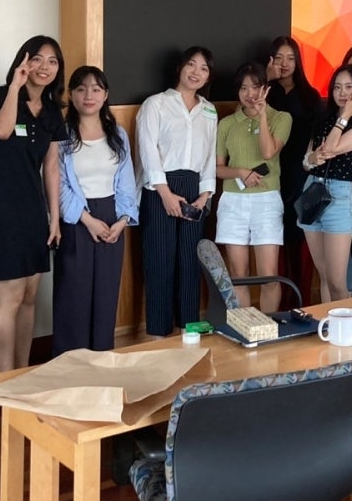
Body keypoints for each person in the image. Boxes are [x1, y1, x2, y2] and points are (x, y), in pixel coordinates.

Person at [0, 36, 66, 372]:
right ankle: (3, 379)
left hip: (33, 214)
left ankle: (22, 373)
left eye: (52, 61)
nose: (44, 67)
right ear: (22, 62)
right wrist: (16, 86)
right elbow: (1, 130)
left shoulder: (54, 112)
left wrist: (54, 218)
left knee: (28, 300)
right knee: (7, 301)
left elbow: (52, 168)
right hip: (0, 211)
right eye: (37, 59)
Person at [54, 66, 138, 355]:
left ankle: (102, 363)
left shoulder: (118, 135)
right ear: (72, 96)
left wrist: (123, 220)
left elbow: (127, 180)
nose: (89, 95)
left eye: (96, 89)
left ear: (105, 96)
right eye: (81, 89)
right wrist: (87, 220)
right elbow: (58, 185)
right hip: (77, 218)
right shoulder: (61, 135)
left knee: (105, 296)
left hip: (112, 217)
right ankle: (70, 367)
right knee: (73, 297)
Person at [135, 47, 217, 337]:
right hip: (159, 190)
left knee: (189, 263)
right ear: (180, 68)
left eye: (204, 68)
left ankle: (189, 330)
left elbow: (210, 156)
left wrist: (205, 196)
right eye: (191, 65)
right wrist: (165, 193)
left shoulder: (209, 109)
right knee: (160, 262)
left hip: (195, 190)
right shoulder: (155, 104)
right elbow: (147, 150)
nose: (196, 72)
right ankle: (158, 332)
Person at [215, 62, 292, 312]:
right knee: (238, 274)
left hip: (267, 200)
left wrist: (261, 116)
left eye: (256, 87)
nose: (250, 94)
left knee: (269, 275)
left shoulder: (281, 118)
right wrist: (240, 172)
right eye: (243, 88)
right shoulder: (226, 123)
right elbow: (217, 169)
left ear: (266, 89)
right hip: (232, 200)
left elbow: (268, 152)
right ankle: (245, 329)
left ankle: (268, 330)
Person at [300, 64, 352, 301]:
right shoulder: (323, 118)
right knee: (322, 275)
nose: (342, 92)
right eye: (337, 87)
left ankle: (345, 331)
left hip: (339, 195)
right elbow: (308, 161)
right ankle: (327, 327)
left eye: (349, 87)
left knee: (337, 280)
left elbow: (332, 147)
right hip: (312, 188)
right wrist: (313, 158)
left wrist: (343, 117)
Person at [264, 36, 322, 305]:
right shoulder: (265, 93)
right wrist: (265, 80)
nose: (284, 64)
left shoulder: (309, 96)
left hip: (300, 176)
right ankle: (277, 303)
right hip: (268, 175)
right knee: (275, 242)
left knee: (299, 241)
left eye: (290, 58)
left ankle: (299, 303)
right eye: (278, 58)